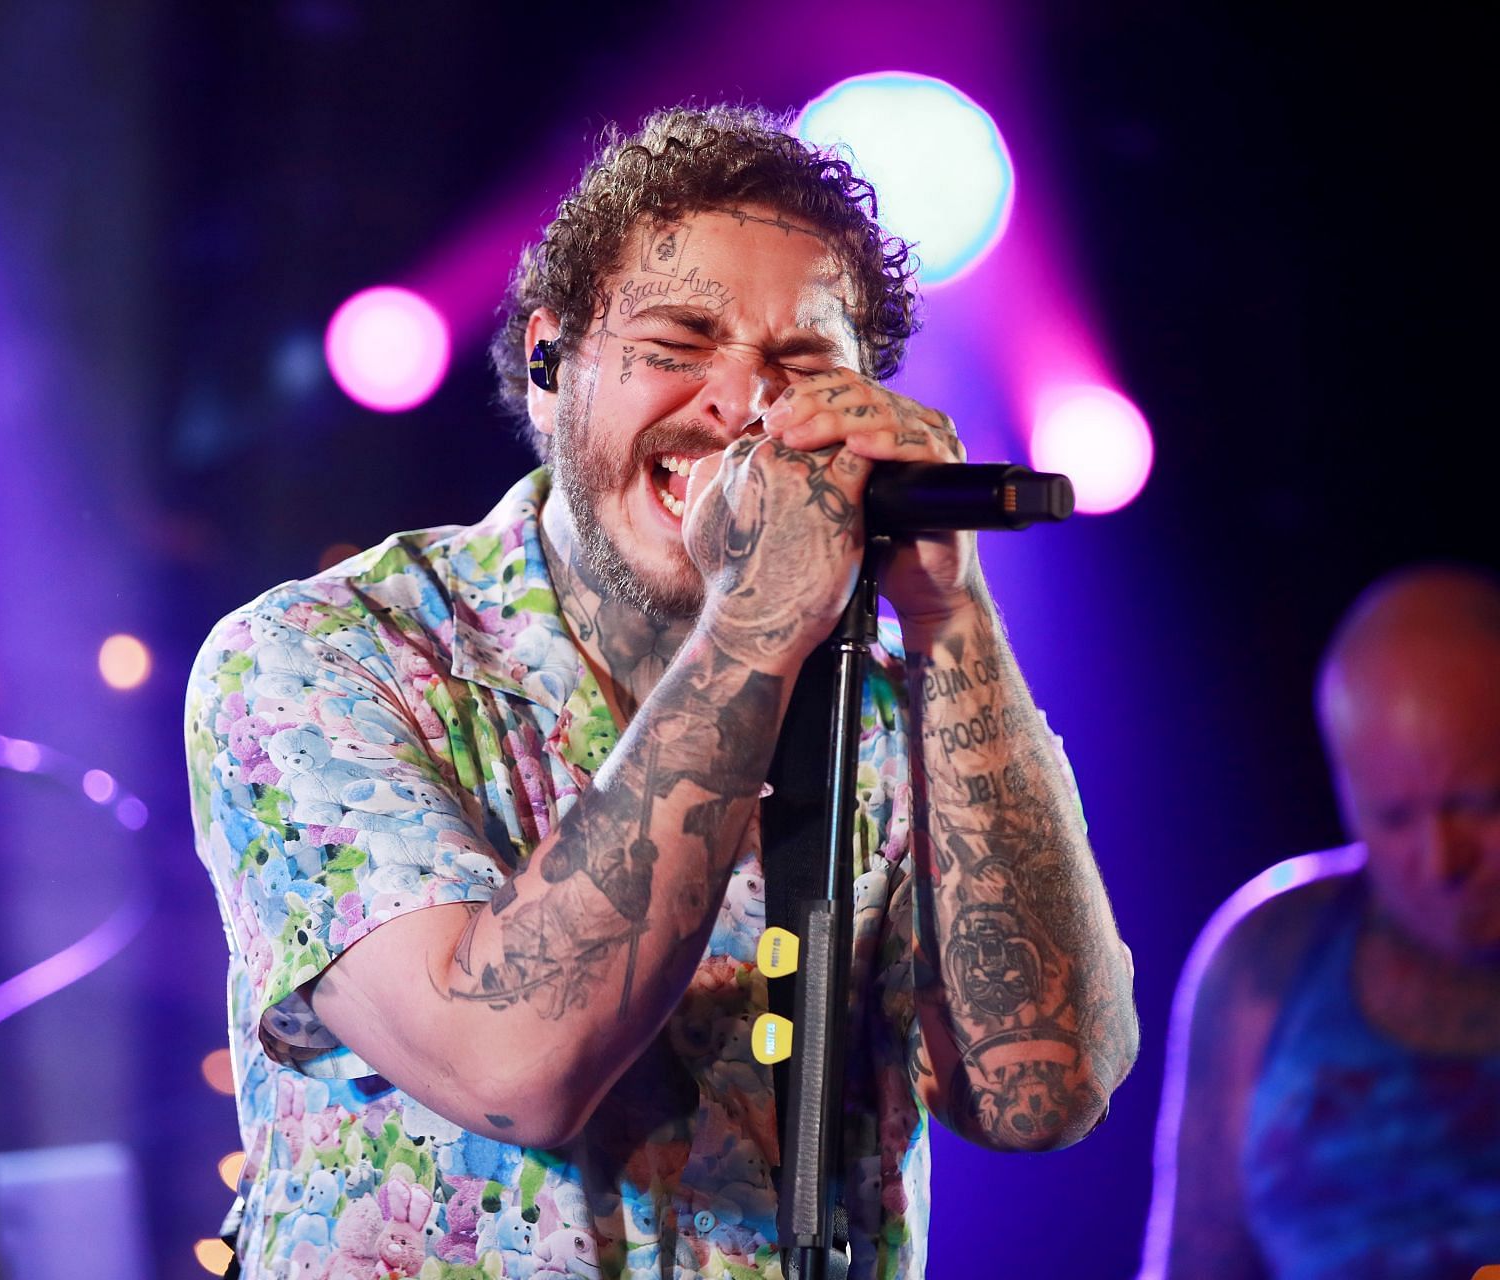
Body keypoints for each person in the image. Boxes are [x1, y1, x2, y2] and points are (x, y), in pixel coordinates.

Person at [186, 104, 1137, 1280]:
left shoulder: (894, 710)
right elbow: (510, 1066)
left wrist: (954, 615)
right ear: (549, 369)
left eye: (801, 366)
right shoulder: (323, 660)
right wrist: (758, 620)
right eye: (677, 343)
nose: (740, 403)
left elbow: (1041, 1091)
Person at [1141, 565, 1500, 1279]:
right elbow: (1195, 1262)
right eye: (1394, 818)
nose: (1441, 860)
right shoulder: (1265, 959)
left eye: (1480, 804)